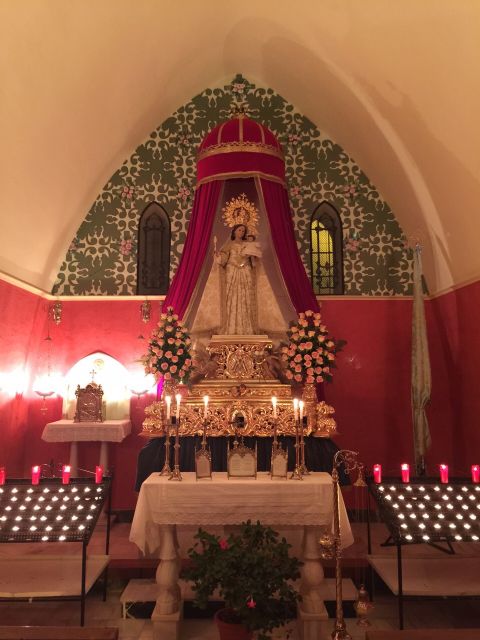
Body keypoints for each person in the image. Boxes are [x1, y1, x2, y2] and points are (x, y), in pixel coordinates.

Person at [215, 224, 259, 335]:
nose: (241, 232)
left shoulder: (248, 244)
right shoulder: (229, 245)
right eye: (239, 230)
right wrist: (218, 256)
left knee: (246, 297)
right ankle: (230, 327)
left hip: (245, 270)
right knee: (231, 296)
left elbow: (254, 262)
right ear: (234, 231)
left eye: (243, 231)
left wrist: (253, 255)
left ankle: (247, 328)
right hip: (232, 270)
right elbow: (223, 259)